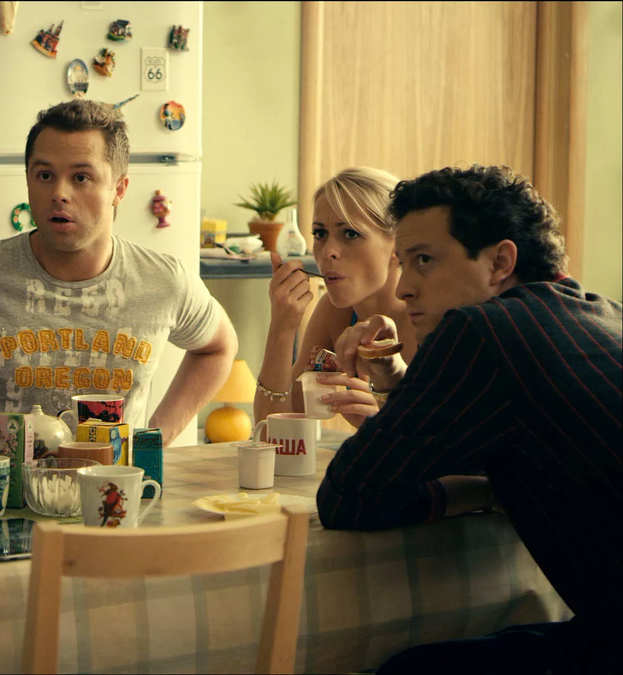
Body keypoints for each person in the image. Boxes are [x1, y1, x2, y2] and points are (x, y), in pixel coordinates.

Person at [316, 165, 622, 673]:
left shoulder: (482, 331)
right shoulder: (603, 314)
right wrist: (395, 384)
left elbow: (349, 495)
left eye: (424, 261)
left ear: (500, 262)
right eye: (402, 263)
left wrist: (476, 492)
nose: (404, 288)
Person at [0, 99, 238, 443]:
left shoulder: (164, 280)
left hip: (116, 477)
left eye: (81, 178)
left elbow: (219, 348)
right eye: (45, 176)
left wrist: (155, 441)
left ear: (118, 189)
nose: (59, 193)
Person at [254, 167, 418, 429]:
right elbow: (272, 434)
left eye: (350, 234)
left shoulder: (435, 317)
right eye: (320, 233)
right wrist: (282, 328)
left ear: (399, 245)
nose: (327, 251)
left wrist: (386, 421)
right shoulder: (335, 312)